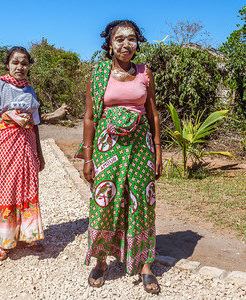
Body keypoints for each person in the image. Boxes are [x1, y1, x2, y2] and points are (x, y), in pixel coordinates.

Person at [82, 20, 162, 294]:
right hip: (108, 149)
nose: (126, 44)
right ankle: (102, 261)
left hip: (140, 149)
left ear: (137, 43)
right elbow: (90, 117)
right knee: (104, 201)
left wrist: (158, 150)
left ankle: (145, 265)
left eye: (131, 39)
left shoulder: (144, 72)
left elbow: (152, 114)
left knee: (141, 202)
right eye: (119, 39)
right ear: (109, 44)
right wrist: (88, 157)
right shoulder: (98, 73)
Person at [0, 46, 46, 261]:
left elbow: (34, 125)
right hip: (4, 146)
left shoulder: (30, 90)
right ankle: (5, 243)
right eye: (15, 62)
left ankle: (28, 236)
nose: (20, 67)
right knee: (5, 190)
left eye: (24, 63)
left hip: (26, 147)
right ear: (8, 64)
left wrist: (39, 154)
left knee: (27, 189)